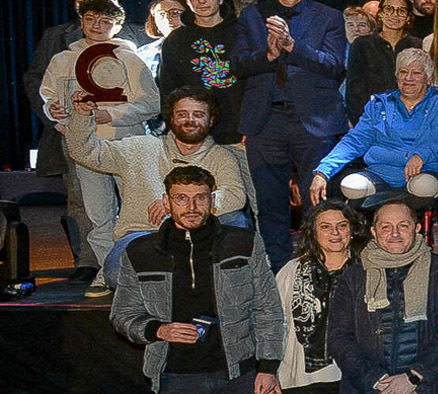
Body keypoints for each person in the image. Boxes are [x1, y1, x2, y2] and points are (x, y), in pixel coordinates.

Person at [110, 166, 283, 394]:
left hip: (239, 373)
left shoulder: (244, 242)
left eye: (200, 198)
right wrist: (159, 330)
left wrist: (268, 368)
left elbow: (267, 307)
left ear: (212, 200)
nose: (191, 207)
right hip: (174, 375)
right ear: (166, 201)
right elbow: (122, 314)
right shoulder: (140, 252)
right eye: (181, 198)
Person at [67, 87, 251, 296]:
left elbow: (235, 195)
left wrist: (180, 204)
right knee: (115, 272)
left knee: (236, 221)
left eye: (198, 115)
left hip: (199, 238)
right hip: (145, 234)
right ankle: (186, 283)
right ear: (171, 118)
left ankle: (181, 283)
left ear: (211, 120)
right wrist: (82, 116)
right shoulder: (138, 148)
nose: (190, 120)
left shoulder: (222, 156)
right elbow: (85, 153)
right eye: (182, 114)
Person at [235, 0, 349, 268]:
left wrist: (291, 47)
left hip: (314, 123)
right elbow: (238, 65)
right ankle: (279, 272)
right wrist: (269, 55)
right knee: (271, 204)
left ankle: (319, 268)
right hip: (265, 121)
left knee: (319, 202)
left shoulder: (329, 17)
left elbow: (333, 65)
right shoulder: (251, 17)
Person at [42, 0, 162, 295]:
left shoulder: (128, 58)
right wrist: (53, 110)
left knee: (137, 208)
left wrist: (113, 114)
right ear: (81, 20)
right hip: (85, 144)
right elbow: (49, 97)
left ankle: (143, 269)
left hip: (127, 143)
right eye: (91, 19)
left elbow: (151, 102)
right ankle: (107, 269)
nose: (97, 27)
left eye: (106, 22)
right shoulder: (63, 60)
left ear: (118, 26)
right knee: (98, 212)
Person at [328, 201, 438, 394]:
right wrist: (378, 381)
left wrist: (414, 377)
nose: (395, 234)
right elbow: (339, 336)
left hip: (428, 387)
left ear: (417, 229)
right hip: (368, 388)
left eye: (403, 226)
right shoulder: (354, 276)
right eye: (386, 227)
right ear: (374, 232)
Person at [314, 49, 438, 204]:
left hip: (426, 172)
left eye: (416, 73)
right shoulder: (379, 104)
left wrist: (423, 155)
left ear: (428, 78)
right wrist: (323, 171)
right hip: (381, 173)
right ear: (396, 76)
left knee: (423, 187)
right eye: (403, 72)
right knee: (350, 185)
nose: (408, 78)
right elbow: (355, 140)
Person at [275, 201, 363, 394]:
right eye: (325, 227)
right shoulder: (291, 271)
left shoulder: (367, 271)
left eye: (342, 225)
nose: (335, 233)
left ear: (352, 230)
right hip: (300, 379)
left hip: (355, 377)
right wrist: (269, 371)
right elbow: (275, 326)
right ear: (313, 232)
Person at [160, 0, 247, 145]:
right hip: (194, 134)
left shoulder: (243, 33)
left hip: (240, 133)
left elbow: (257, 86)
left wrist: (252, 129)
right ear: (186, 0)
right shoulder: (175, 40)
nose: (201, 1)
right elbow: (168, 91)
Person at [344, 0, 423, 122]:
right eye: (389, 9)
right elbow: (353, 93)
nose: (394, 15)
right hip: (372, 122)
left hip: (411, 122)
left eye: (401, 10)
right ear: (380, 13)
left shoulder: (418, 45)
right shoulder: (362, 45)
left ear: (408, 17)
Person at [137, 0, 187, 79]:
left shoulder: (203, 47)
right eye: (161, 14)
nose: (168, 18)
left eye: (175, 13)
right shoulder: (143, 54)